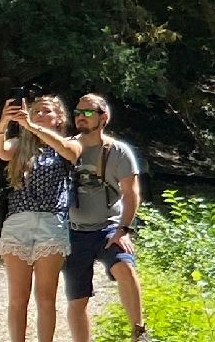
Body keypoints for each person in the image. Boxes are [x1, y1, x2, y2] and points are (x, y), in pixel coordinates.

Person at [0, 94, 82, 342]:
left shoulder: (70, 142)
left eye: (47, 112)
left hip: (52, 223)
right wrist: (3, 122)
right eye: (36, 111)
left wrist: (33, 126)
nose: (40, 115)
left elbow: (70, 153)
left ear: (60, 117)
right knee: (18, 298)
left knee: (45, 297)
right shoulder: (20, 144)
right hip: (18, 222)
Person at [62, 93, 148, 342]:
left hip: (109, 227)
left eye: (88, 113)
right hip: (74, 231)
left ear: (104, 117)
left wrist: (123, 230)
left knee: (125, 267)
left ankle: (138, 332)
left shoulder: (118, 152)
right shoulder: (67, 147)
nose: (80, 117)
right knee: (77, 299)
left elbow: (132, 194)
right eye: (78, 112)